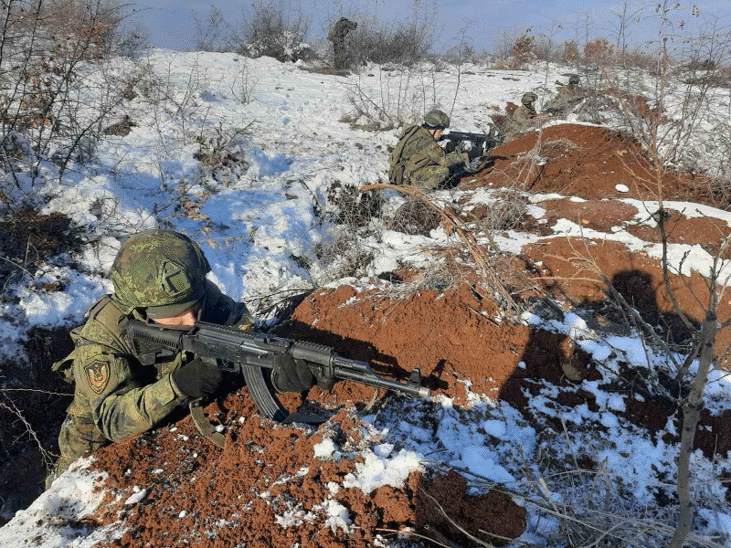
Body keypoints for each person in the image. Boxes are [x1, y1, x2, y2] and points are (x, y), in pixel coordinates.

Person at [47, 229, 313, 486]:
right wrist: (177, 386)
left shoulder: (199, 294)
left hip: (173, 436)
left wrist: (274, 372)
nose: (191, 319)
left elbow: (244, 336)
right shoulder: (104, 334)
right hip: (93, 458)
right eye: (175, 312)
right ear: (141, 310)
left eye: (193, 306)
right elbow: (111, 422)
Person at [388, 109, 468, 190]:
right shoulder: (426, 142)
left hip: (398, 174)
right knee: (443, 171)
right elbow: (444, 161)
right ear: (433, 128)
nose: (442, 133)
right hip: (405, 179)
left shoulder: (417, 131)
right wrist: (466, 155)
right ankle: (418, 190)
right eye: (440, 131)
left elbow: (430, 154)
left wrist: (447, 150)